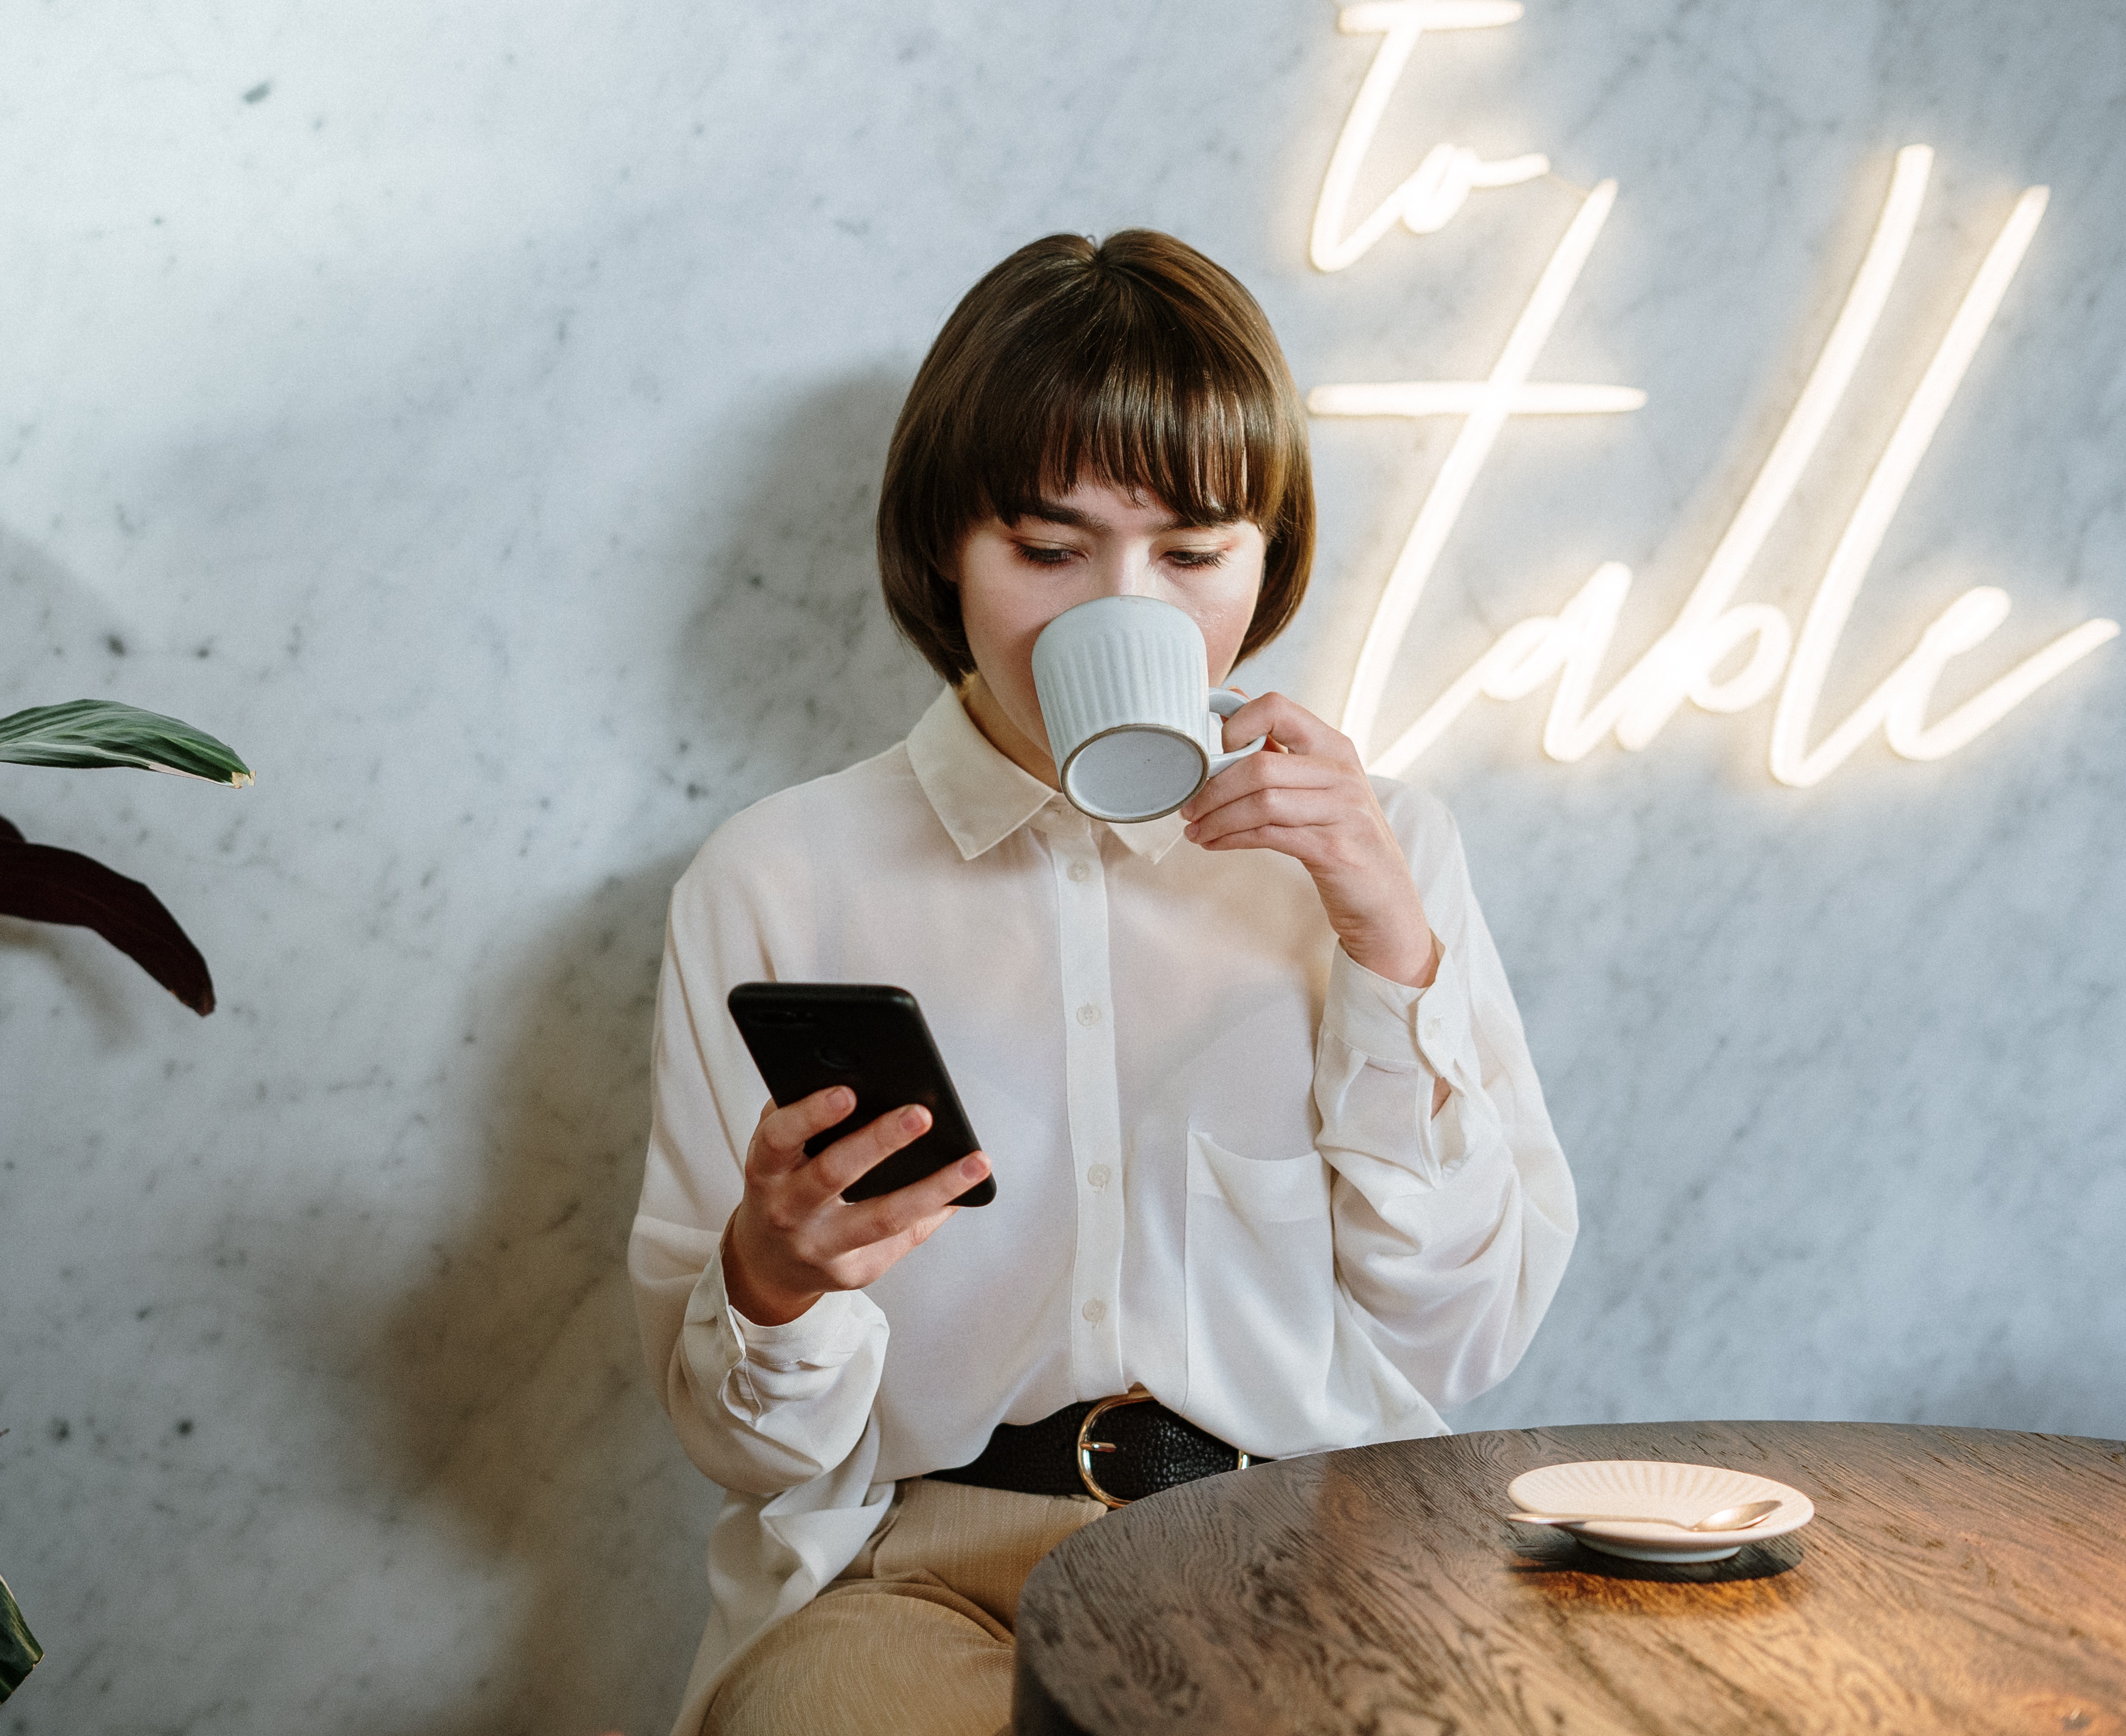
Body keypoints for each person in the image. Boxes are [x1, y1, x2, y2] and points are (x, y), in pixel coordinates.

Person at [628, 230, 1577, 1736]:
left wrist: (1390, 948)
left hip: (1306, 1548)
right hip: (911, 1570)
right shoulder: (780, 877)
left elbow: (1455, 1338)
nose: (1112, 612)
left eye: (1191, 555)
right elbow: (749, 1453)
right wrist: (776, 1274)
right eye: (1049, 549)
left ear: (1266, 564)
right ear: (947, 546)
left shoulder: (1379, 852)